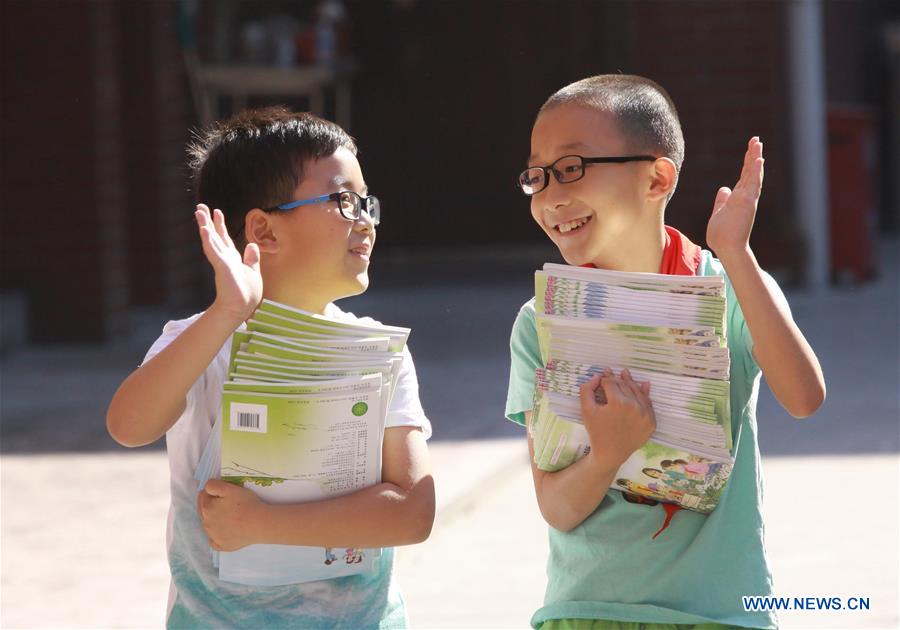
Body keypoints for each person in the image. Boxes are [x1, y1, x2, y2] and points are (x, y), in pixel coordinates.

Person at [505, 75, 825, 629]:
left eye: (572, 168)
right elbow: (557, 507)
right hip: (588, 612)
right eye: (538, 176)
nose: (552, 195)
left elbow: (803, 397)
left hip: (721, 613)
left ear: (657, 178)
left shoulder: (730, 289)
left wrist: (737, 253)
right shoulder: (542, 323)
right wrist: (608, 453)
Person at [107, 107, 435, 629]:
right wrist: (227, 313)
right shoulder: (204, 343)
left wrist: (264, 523)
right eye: (344, 201)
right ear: (263, 229)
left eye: (367, 203)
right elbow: (128, 426)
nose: (366, 220)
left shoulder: (379, 350)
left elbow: (414, 510)